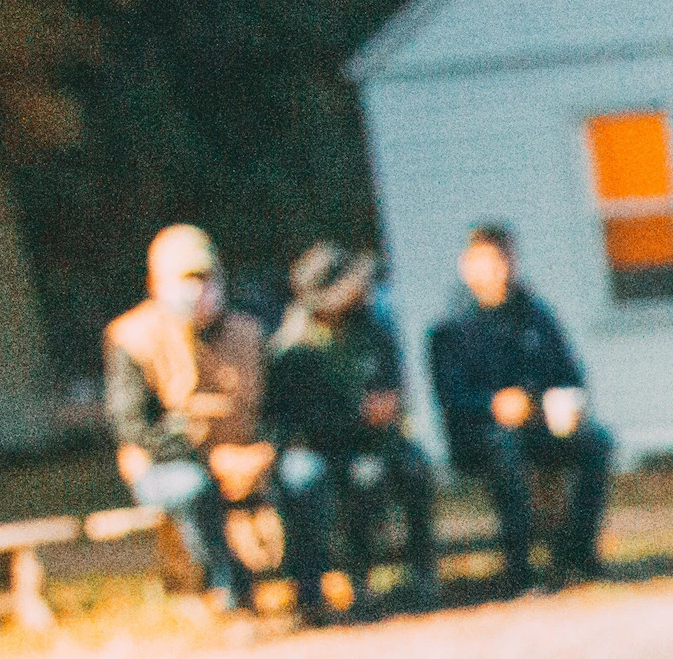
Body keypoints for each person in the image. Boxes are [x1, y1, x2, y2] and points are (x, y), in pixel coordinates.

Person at [104, 224, 333, 624]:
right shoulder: (131, 338)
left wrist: (266, 452)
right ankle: (232, 596)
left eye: (204, 277)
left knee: (306, 475)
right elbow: (134, 427)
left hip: (250, 457)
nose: (197, 290)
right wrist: (210, 460)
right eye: (184, 279)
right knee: (192, 487)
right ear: (155, 283)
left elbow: (280, 409)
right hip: (172, 465)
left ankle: (311, 593)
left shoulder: (250, 331)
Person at [426, 224, 611, 594]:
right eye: (489, 260)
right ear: (467, 267)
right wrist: (493, 404)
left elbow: (571, 373)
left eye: (506, 258)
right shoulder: (451, 330)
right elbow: (450, 398)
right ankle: (518, 567)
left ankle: (577, 556)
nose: (500, 268)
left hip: (541, 426)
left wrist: (563, 401)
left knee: (596, 442)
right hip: (480, 436)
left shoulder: (536, 316)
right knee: (506, 449)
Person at [269, 244, 439, 609]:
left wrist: (388, 405)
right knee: (309, 479)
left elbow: (394, 383)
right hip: (317, 446)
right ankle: (320, 592)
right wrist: (357, 416)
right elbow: (297, 420)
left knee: (412, 467)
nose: (358, 291)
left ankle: (422, 576)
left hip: (372, 439)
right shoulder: (293, 345)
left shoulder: (372, 327)